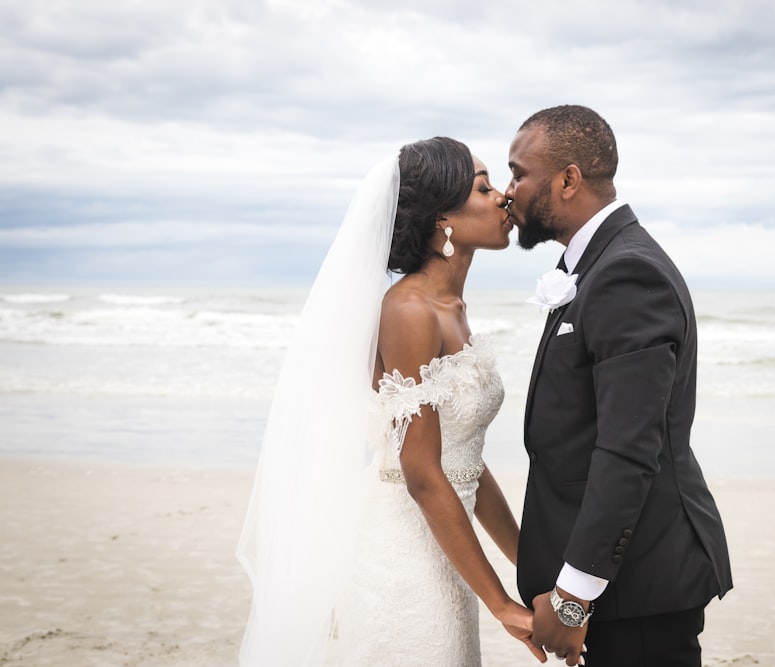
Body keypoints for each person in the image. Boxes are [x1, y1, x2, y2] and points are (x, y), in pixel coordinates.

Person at [237, 137, 546, 666]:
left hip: (446, 550)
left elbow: (463, 461)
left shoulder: (451, 306)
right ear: (441, 219)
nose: (502, 198)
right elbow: (420, 469)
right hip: (404, 562)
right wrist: (501, 605)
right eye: (483, 186)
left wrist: (532, 569)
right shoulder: (409, 310)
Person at [506, 105, 734, 666]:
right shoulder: (597, 264)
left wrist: (574, 599)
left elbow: (629, 449)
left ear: (567, 180)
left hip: (639, 589)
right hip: (621, 584)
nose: (509, 191)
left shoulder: (627, 274)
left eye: (518, 173)